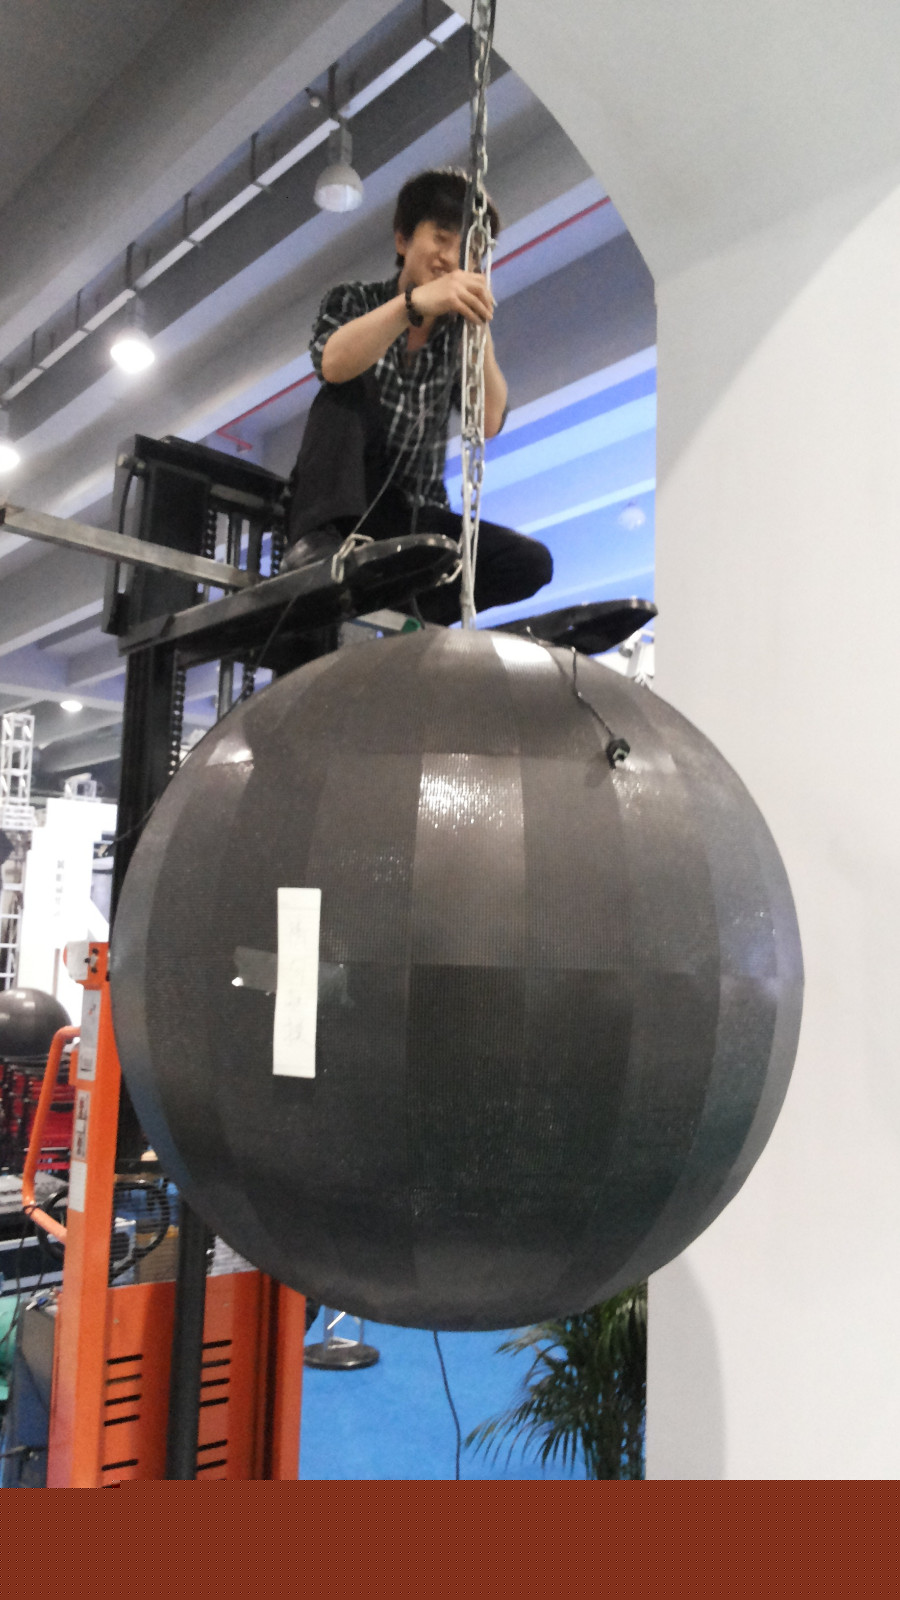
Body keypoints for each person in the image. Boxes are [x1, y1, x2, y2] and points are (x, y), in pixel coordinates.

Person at [285, 168, 553, 625]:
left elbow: (488, 422)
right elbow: (332, 363)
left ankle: (414, 607)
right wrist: (413, 305)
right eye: (442, 239)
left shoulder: (456, 335)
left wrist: (479, 332)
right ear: (402, 240)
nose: (452, 259)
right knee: (350, 379)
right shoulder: (354, 300)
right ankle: (313, 545)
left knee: (530, 563)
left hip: (415, 512)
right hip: (346, 505)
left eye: (469, 251)